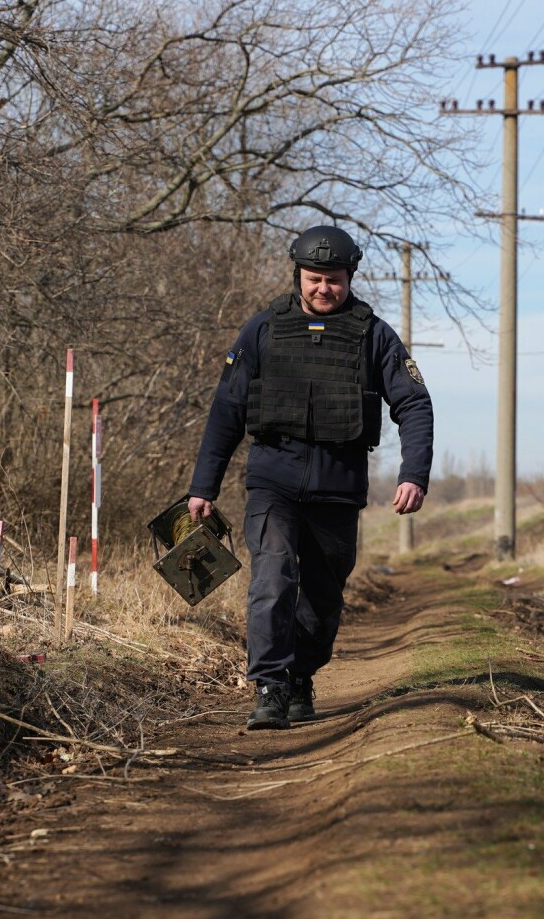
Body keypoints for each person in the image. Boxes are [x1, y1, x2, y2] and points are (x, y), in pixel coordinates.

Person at [187, 225, 434, 730]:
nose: (324, 288)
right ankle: (271, 687)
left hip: (339, 487)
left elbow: (414, 403)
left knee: (324, 596)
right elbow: (227, 409)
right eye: (315, 278)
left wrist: (414, 474)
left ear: (350, 278)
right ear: (298, 274)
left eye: (334, 280)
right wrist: (203, 486)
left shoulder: (375, 335)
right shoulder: (262, 330)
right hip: (273, 481)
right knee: (273, 578)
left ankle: (302, 676)